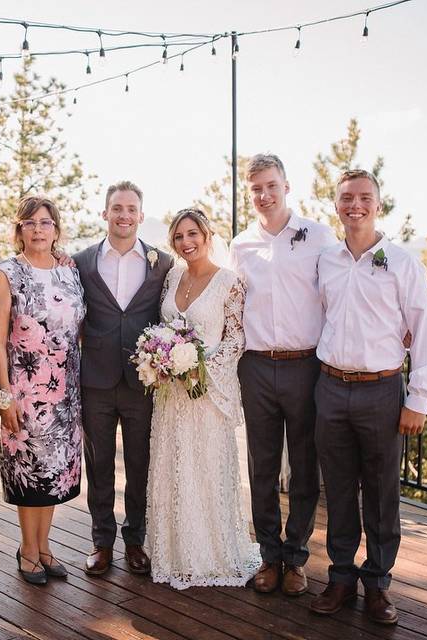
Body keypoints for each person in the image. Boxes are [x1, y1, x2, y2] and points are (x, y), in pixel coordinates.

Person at [309, 169, 427, 625]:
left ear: (378, 205)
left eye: (364, 197)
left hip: (382, 391)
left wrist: (418, 398)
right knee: (340, 492)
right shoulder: (326, 260)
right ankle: (341, 578)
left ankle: (379, 584)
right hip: (329, 387)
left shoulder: (402, 262)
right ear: (337, 205)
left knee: (383, 495)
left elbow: (424, 329)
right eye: (347, 198)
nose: (355, 205)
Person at [228, 153, 338, 596]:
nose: (264, 195)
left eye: (271, 186)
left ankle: (296, 557)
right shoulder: (240, 245)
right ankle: (269, 556)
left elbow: (340, 293)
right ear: (249, 192)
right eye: (256, 188)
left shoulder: (318, 236)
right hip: (255, 366)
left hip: (306, 365)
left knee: (306, 469)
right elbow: (231, 305)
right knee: (262, 467)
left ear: (287, 186)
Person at [145, 208, 260, 589]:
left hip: (208, 395)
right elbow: (164, 328)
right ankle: (174, 550)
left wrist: (200, 367)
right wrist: (162, 358)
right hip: (171, 396)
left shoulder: (229, 282)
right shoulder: (173, 276)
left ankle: (210, 551)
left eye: (193, 234)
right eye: (179, 237)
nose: (186, 242)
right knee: (174, 468)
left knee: (205, 471)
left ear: (207, 236)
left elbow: (235, 338)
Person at [73, 180, 174, 576]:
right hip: (95, 379)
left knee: (139, 463)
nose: (124, 215)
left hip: (141, 382)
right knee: (98, 465)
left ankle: (135, 541)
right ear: (105, 213)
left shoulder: (161, 263)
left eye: (131, 209)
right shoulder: (80, 262)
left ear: (141, 216)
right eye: (117, 208)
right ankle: (101, 543)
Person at [0, 195, 86, 585]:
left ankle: (45, 548)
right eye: (29, 223)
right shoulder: (7, 272)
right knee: (30, 472)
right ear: (19, 229)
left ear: (56, 229)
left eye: (45, 223)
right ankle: (27, 550)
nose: (37, 230)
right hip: (25, 392)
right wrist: (3, 396)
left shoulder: (70, 271)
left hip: (66, 392)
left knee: (53, 473)